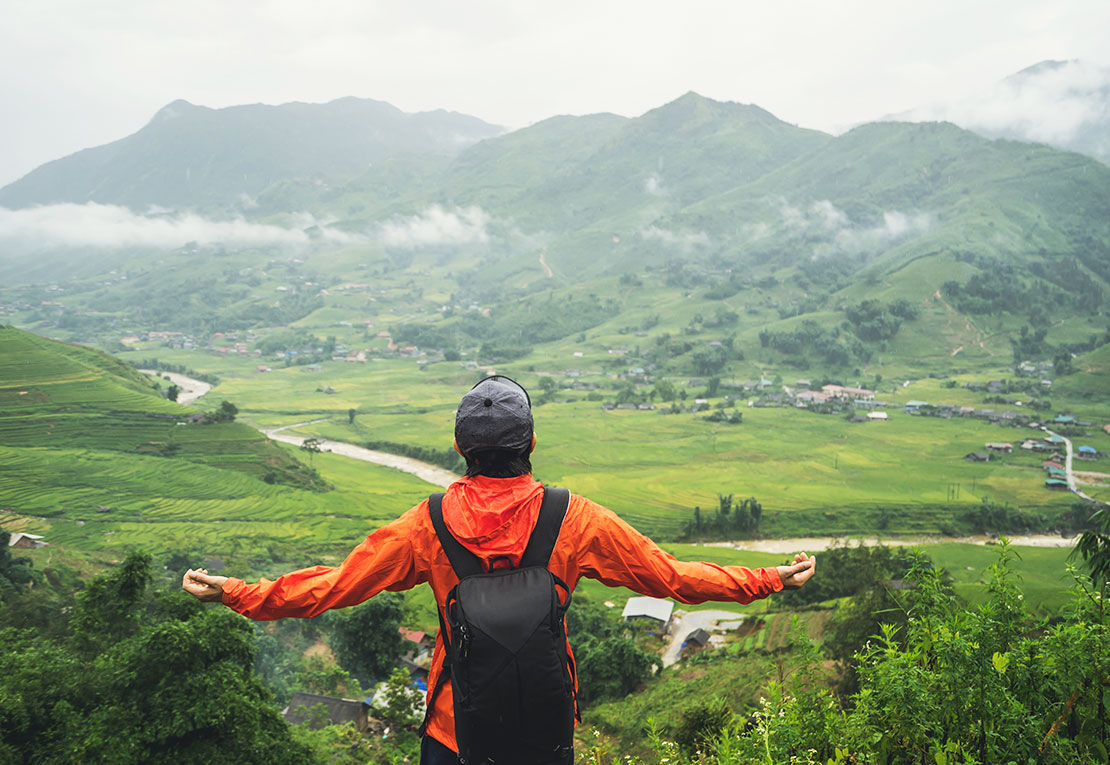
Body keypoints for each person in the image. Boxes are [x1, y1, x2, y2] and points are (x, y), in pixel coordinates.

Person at [184, 375, 816, 764]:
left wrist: (239, 592)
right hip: (545, 724)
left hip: (457, 730)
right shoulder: (576, 520)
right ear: (530, 444)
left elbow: (332, 589)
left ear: (461, 448)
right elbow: (670, 579)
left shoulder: (424, 526)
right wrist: (766, 579)